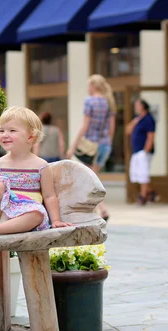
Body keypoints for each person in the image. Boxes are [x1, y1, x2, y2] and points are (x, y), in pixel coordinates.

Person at [0, 106, 72, 240]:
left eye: (12, 130)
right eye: (1, 130)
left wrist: (56, 220)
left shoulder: (41, 166)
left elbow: (49, 196)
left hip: (24, 216)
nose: (5, 134)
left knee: (37, 214)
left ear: (30, 136)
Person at [66, 74, 116, 221]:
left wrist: (73, 146)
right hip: (105, 144)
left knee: (90, 179)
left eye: (89, 85)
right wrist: (107, 142)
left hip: (90, 145)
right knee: (93, 177)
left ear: (93, 86)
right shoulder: (109, 101)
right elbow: (112, 127)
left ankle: (101, 209)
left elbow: (85, 125)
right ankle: (99, 209)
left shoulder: (89, 101)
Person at [126, 99, 157, 205]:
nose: (135, 107)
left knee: (143, 173)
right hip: (136, 151)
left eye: (137, 105)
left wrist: (146, 151)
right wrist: (134, 122)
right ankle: (150, 192)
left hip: (143, 152)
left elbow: (151, 136)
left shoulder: (149, 119)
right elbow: (128, 131)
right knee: (137, 174)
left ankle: (143, 197)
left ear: (143, 106)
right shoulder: (137, 119)